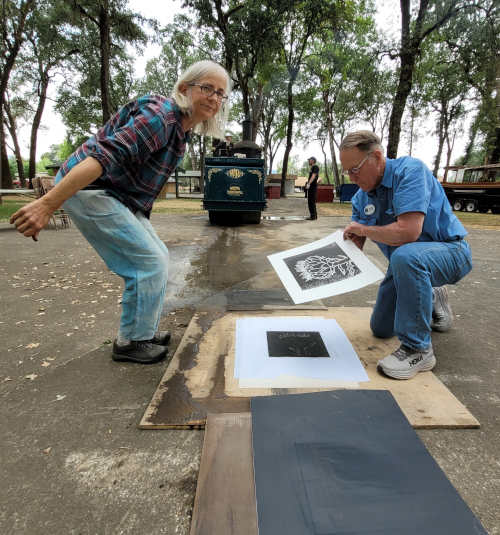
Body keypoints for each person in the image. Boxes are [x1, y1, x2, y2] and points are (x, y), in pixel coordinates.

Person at [10, 60, 231, 365]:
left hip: (118, 195)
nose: (214, 98)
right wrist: (48, 204)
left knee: (157, 255)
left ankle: (143, 331)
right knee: (148, 261)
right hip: (90, 188)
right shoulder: (161, 117)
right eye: (207, 88)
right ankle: (131, 342)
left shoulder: (181, 130)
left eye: (220, 93)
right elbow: (103, 158)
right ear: (184, 88)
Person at [341, 131, 472, 380]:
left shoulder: (410, 172)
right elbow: (357, 243)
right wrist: (350, 243)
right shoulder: (360, 198)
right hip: (406, 265)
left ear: (376, 157)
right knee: (381, 328)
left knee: (405, 256)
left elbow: (409, 232)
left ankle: (418, 349)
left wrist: (364, 230)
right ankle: (431, 295)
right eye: (347, 171)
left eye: (355, 169)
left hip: (450, 252)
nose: (351, 177)